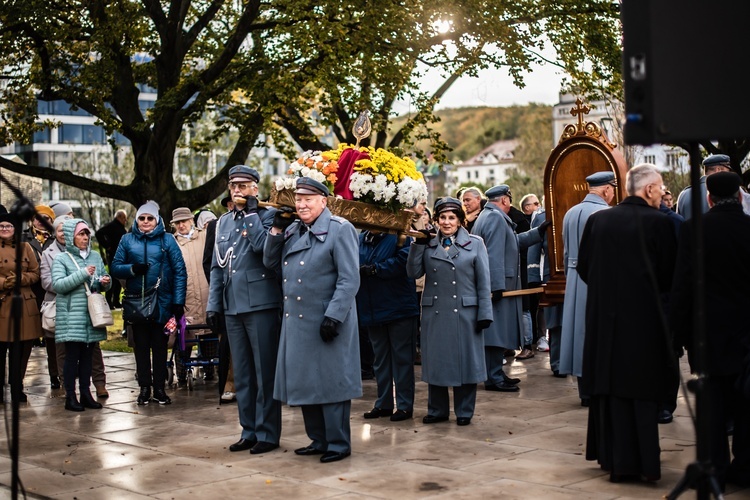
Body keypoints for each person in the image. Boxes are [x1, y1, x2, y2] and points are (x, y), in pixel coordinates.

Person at [578, 163, 679, 483]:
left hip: (604, 321)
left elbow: (584, 269)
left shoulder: (598, 221)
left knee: (610, 390)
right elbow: (670, 276)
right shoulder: (660, 223)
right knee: (640, 391)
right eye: (660, 187)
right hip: (643, 323)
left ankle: (611, 457)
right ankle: (642, 462)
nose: (662, 192)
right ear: (648, 189)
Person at [264, 176, 361, 463]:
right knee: (305, 382)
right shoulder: (293, 229)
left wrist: (333, 316)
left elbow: (348, 279)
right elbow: (271, 263)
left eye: (308, 199)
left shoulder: (340, 230)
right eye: (298, 199)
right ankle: (318, 439)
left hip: (327, 320)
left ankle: (338, 443)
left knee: (331, 383)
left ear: (324, 201)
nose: (302, 204)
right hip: (298, 320)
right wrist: (276, 229)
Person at [670, 171, 750, 489]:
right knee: (746, 402)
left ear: (708, 198)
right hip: (746, 331)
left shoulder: (694, 230)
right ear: (741, 196)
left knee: (712, 402)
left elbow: (683, 285)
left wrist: (677, 333)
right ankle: (745, 466)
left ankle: (714, 466)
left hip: (709, 332)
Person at [206, 166, 282, 455]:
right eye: (233, 186)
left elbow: (266, 252)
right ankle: (248, 430)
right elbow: (217, 267)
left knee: (265, 373)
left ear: (255, 188)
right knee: (243, 375)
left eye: (243, 185)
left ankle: (268, 433)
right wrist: (214, 305)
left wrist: (251, 215)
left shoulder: (268, 215)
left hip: (261, 303)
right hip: (232, 306)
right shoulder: (223, 222)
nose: (236, 190)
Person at [407, 197, 492, 425]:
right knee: (437, 362)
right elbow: (413, 273)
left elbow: (483, 282)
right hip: (436, 312)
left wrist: (485, 313)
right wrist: (417, 245)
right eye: (442, 217)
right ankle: (437, 411)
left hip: (466, 313)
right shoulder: (427, 244)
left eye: (451, 218)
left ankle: (464, 411)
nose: (446, 222)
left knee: (466, 363)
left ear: (460, 220)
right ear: (436, 220)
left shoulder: (475, 243)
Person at [111, 200, 187, 406]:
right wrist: (133, 269)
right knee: (141, 347)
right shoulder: (127, 240)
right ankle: (144, 388)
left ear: (157, 220)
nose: (145, 222)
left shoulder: (168, 240)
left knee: (160, 346)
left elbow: (180, 271)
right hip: (137, 303)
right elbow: (115, 267)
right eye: (142, 218)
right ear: (137, 220)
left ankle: (160, 389)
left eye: (149, 218)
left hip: (162, 302)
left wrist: (178, 302)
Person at [471, 185, 544, 393]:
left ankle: (496, 372)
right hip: (499, 287)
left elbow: (511, 242)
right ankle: (493, 377)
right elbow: (493, 255)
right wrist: (495, 287)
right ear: (504, 200)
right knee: (496, 333)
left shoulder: (489, 216)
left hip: (499, 285)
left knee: (498, 332)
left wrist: (537, 233)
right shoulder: (494, 218)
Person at [559, 171, 616, 406]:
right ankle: (600, 387)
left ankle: (585, 391)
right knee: (598, 332)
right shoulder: (606, 213)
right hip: (598, 279)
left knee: (576, 333)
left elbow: (564, 253)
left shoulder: (571, 213)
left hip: (573, 278)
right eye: (612, 188)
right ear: (606, 189)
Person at [358, 229, 419, 422]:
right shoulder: (362, 238)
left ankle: (404, 405)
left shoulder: (400, 236)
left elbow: (404, 262)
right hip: (372, 307)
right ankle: (383, 403)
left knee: (402, 358)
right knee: (380, 359)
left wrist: (376, 269)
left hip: (399, 307)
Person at [51, 219, 111, 411]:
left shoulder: (94, 256)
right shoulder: (62, 259)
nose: (85, 238)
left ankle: (86, 394)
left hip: (91, 316)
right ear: (71, 237)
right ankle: (70, 396)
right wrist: (83, 273)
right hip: (71, 315)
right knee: (72, 357)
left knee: (88, 356)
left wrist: (104, 282)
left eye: (87, 234)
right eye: (81, 234)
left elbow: (100, 283)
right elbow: (59, 285)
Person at [170, 207, 216, 386]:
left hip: (206, 293)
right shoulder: (172, 242)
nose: (181, 225)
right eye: (178, 223)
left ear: (191, 220)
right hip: (185, 297)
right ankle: (181, 372)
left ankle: (209, 368)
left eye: (184, 221)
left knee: (208, 334)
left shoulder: (204, 237)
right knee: (184, 338)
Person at [0, 209, 42, 403]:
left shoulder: (25, 247)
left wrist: (21, 278)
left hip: (23, 305)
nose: (5, 229)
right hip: (2, 304)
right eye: (1, 226)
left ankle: (17, 386)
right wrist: (3, 283)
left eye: (9, 226)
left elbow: (36, 273)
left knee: (21, 351)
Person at [203, 194, 236, 404]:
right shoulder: (217, 225)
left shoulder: (259, 219)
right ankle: (228, 384)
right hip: (226, 295)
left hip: (252, 296)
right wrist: (216, 298)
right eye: (231, 202)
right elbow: (209, 262)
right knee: (227, 346)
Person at [23, 204, 59, 389]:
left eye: (45, 218)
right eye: (38, 217)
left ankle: (55, 375)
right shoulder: (23, 239)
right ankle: (19, 378)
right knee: (27, 338)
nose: (41, 221)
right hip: (31, 295)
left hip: (52, 294)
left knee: (52, 337)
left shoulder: (56, 240)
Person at [527, 206, 565, 377]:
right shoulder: (543, 217)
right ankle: (558, 363)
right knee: (555, 322)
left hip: (579, 274)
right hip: (553, 275)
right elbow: (533, 248)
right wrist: (533, 275)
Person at [40, 215, 73, 390]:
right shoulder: (47, 253)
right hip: (56, 303)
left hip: (79, 304)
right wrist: (70, 285)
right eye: (60, 230)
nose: (64, 234)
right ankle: (63, 380)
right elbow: (46, 281)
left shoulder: (82, 249)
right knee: (58, 348)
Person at [509, 193, 535, 359]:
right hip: (511, 269)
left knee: (524, 308)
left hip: (521, 268)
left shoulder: (518, 220)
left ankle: (527, 345)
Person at [676, 154, 732, 220]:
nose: (729, 173)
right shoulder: (724, 191)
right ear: (718, 169)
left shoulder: (683, 195)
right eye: (727, 170)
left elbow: (678, 223)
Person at [95, 209, 128, 309]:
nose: (125, 221)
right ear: (119, 217)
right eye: (124, 218)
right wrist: (107, 246)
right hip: (113, 255)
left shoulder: (120, 228)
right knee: (113, 278)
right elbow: (98, 233)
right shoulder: (112, 226)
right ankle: (109, 301)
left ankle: (116, 301)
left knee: (119, 279)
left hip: (120, 256)